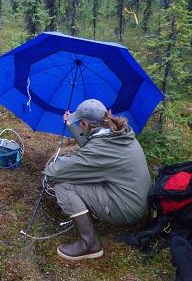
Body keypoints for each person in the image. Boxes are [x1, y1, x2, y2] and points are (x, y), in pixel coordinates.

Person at [43, 99, 151, 261]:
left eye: (79, 123)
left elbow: (55, 173)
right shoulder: (118, 132)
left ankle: (90, 244)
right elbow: (92, 145)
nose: (79, 125)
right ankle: (91, 216)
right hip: (138, 201)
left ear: (86, 124)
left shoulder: (100, 149)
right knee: (79, 173)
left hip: (126, 209)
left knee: (64, 185)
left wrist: (48, 171)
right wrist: (71, 124)